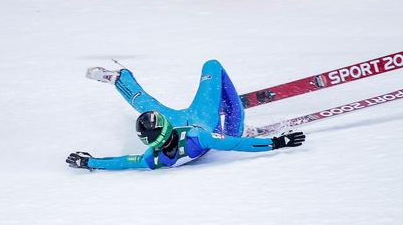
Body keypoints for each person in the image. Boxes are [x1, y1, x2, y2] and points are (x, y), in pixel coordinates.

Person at [66, 60, 305, 171]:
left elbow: (123, 162)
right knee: (212, 67)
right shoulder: (199, 137)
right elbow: (236, 143)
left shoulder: (152, 159)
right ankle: (121, 78)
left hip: (193, 121)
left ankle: (120, 79)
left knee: (148, 105)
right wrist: (276, 142)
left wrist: (89, 162)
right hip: (202, 117)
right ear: (166, 126)